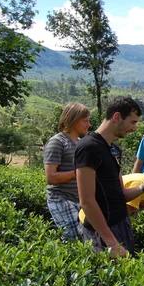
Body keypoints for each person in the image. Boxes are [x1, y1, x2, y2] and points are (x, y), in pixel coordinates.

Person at [75, 96, 144, 258]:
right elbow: (86, 201)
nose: (134, 128)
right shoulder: (88, 148)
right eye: (133, 122)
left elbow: (119, 194)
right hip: (102, 233)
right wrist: (111, 242)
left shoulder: (113, 149)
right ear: (117, 117)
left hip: (121, 225)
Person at [43, 102, 91, 241]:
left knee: (86, 240)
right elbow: (51, 177)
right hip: (62, 199)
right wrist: (79, 172)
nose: (89, 124)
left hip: (79, 200)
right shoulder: (57, 142)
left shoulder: (81, 143)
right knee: (74, 240)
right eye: (85, 121)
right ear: (74, 121)